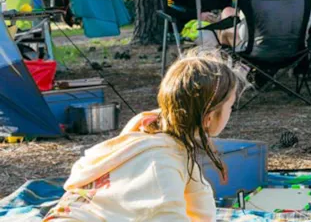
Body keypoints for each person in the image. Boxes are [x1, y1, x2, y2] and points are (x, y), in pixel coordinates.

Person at [44, 51, 245, 221]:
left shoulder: (158, 139)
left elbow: (199, 202)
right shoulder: (160, 164)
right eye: (230, 106)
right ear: (209, 117)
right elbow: (167, 216)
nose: (231, 111)